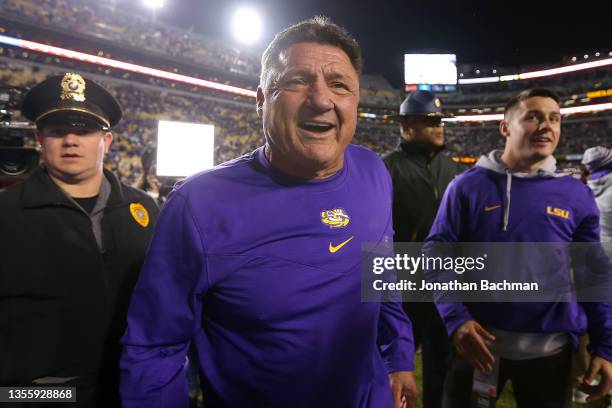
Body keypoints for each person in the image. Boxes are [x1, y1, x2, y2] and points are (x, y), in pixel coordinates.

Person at [120, 17, 418, 408]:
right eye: (297, 80)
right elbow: (154, 347)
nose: (322, 99)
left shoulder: (374, 172)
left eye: (339, 85)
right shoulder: (199, 205)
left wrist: (397, 355)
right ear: (261, 100)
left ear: (356, 101)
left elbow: (381, 272)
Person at [425, 88, 612, 407]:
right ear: (505, 127)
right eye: (533, 116)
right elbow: (437, 254)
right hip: (478, 350)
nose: (546, 126)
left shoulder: (574, 194)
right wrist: (455, 317)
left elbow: (591, 272)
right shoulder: (467, 187)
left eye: (555, 118)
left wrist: (605, 346)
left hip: (551, 355)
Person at [0, 73, 159, 407]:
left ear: (107, 141)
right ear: (40, 139)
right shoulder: (6, 212)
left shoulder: (143, 209)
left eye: (84, 131)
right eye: (58, 131)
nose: (71, 140)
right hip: (39, 396)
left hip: (128, 387)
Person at [383, 91, 463, 408]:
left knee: (441, 373)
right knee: (392, 368)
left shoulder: (453, 169)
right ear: (406, 125)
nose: (438, 126)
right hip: (403, 291)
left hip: (444, 289)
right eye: (430, 121)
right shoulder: (386, 168)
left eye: (439, 120)